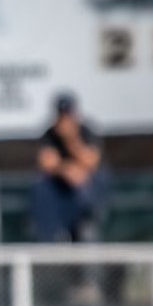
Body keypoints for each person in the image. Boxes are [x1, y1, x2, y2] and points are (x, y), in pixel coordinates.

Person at [32, 92, 107, 243]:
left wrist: (70, 139)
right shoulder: (50, 134)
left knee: (90, 186)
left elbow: (90, 162)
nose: (65, 119)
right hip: (58, 192)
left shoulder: (86, 131)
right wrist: (67, 169)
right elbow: (47, 163)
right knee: (40, 188)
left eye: (68, 114)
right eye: (62, 114)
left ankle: (85, 223)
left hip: (84, 193)